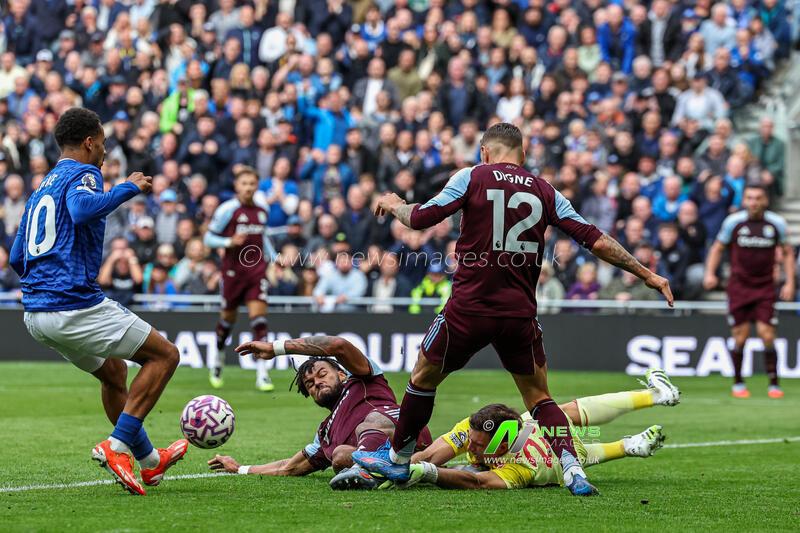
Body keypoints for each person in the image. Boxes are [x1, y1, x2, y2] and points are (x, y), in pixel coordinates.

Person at [351, 122, 673, 496]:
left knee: (422, 378)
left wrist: (394, 205)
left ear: (485, 151)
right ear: (523, 152)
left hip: (468, 310)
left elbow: (421, 219)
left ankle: (399, 460)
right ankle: (572, 469)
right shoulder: (546, 191)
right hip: (519, 314)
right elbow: (595, 240)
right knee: (539, 398)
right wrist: (646, 273)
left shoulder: (472, 176)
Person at [9, 107, 186, 496]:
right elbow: (82, 209)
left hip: (36, 314)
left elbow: (16, 257)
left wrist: (46, 280)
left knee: (113, 374)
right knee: (165, 356)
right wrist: (128, 187)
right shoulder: (84, 173)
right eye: (103, 144)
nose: (105, 152)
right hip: (72, 304)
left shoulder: (41, 187)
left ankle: (151, 464)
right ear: (89, 142)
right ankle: (116, 445)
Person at [208, 336, 432, 480]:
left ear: (342, 374)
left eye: (322, 374)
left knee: (371, 421)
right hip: (390, 460)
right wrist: (239, 468)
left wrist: (276, 348)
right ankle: (399, 473)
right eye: (310, 384)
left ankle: (387, 467)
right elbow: (289, 467)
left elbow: (338, 346)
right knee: (340, 455)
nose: (317, 382)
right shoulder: (325, 433)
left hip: (408, 436)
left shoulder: (364, 378)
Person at [703, 185, 795, 399]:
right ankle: (738, 383)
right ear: (744, 200)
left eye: (758, 198)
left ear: (765, 200)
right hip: (739, 287)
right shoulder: (733, 222)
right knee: (740, 337)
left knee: (767, 334)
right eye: (750, 198)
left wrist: (789, 282)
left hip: (764, 288)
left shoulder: (776, 223)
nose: (754, 202)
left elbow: (787, 252)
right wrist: (710, 273)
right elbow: (717, 248)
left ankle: (774, 384)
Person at [203, 167, 278, 392]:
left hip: (256, 272)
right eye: (244, 183)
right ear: (237, 186)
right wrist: (228, 242)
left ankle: (262, 375)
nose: (248, 188)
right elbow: (208, 237)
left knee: (259, 320)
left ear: (257, 186)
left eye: (252, 184)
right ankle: (217, 361)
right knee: (227, 322)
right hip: (233, 274)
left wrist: (275, 259)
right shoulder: (228, 209)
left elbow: (262, 238)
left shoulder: (262, 210)